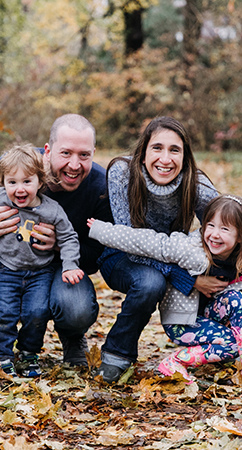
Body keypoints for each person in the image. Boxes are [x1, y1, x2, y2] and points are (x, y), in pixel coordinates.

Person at [0, 114, 113, 369]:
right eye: (66, 153)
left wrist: (60, 246)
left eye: (84, 155)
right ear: (48, 150)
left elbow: (99, 255)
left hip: (57, 268)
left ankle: (72, 337)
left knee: (77, 307)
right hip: (6, 261)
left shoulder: (100, 186)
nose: (74, 164)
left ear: (94, 153)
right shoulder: (13, 167)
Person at [94, 116, 234, 383]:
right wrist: (188, 279)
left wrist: (241, 244)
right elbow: (130, 242)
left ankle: (213, 343)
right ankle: (117, 354)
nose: (165, 159)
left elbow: (225, 224)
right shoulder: (123, 173)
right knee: (150, 282)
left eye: (174, 150)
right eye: (157, 148)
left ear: (185, 156)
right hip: (121, 255)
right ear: (144, 151)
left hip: (174, 255)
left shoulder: (195, 182)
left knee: (233, 271)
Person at [88, 195, 242, 390]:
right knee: (235, 345)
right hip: (183, 322)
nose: (214, 234)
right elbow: (149, 242)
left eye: (224, 228)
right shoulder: (190, 249)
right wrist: (103, 230)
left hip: (208, 312)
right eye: (210, 225)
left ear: (241, 236)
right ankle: (174, 363)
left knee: (236, 299)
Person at [0, 144, 84, 377]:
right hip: (6, 270)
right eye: (12, 182)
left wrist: (69, 265)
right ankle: (1, 357)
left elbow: (69, 237)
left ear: (41, 182)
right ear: (2, 182)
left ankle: (29, 355)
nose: (19, 189)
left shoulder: (52, 210)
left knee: (36, 313)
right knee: (3, 312)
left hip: (40, 272)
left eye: (27, 182)